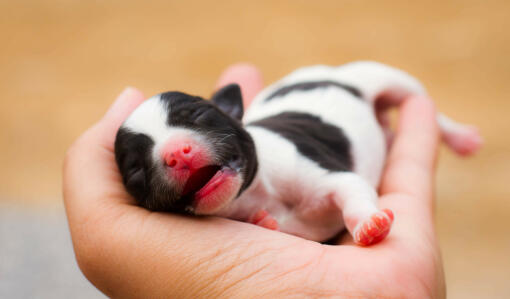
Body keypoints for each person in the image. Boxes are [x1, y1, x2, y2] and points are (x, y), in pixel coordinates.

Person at [63, 64, 446, 298]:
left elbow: (345, 183)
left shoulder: (291, 159)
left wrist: (361, 214)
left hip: (326, 91)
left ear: (232, 115)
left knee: (395, 86)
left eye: (195, 120)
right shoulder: (227, 231)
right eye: (138, 169)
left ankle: (445, 124)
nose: (175, 153)